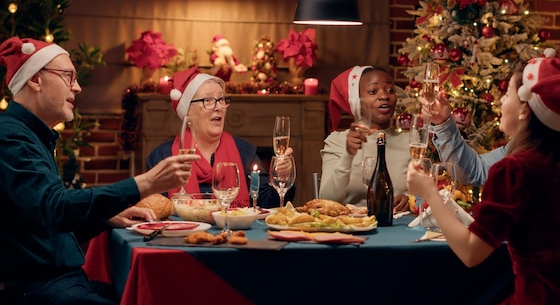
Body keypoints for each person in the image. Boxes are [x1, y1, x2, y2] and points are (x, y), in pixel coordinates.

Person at [0, 37, 199, 305]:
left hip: (57, 281)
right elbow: (55, 208)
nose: (78, 87)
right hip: (36, 289)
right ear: (35, 79)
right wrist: (144, 183)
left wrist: (107, 216)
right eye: (68, 76)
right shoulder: (10, 137)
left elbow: (42, 227)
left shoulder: (30, 135)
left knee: (161, 291)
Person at [407, 52, 560, 303]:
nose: (501, 100)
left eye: (508, 94)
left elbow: (471, 252)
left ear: (525, 109)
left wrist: (430, 194)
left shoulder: (515, 169)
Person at [147, 66, 294, 208]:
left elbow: (266, 204)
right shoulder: (162, 157)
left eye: (221, 99)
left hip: (235, 232)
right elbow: (155, 211)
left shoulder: (245, 152)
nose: (218, 107)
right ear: (187, 111)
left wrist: (280, 178)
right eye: (208, 101)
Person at [320, 66, 410, 211]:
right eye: (373, 91)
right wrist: (348, 155)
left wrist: (409, 199)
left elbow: (426, 194)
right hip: (350, 227)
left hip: (397, 226)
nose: (384, 96)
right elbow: (326, 199)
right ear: (356, 101)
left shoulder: (410, 141)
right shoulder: (337, 141)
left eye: (390, 90)